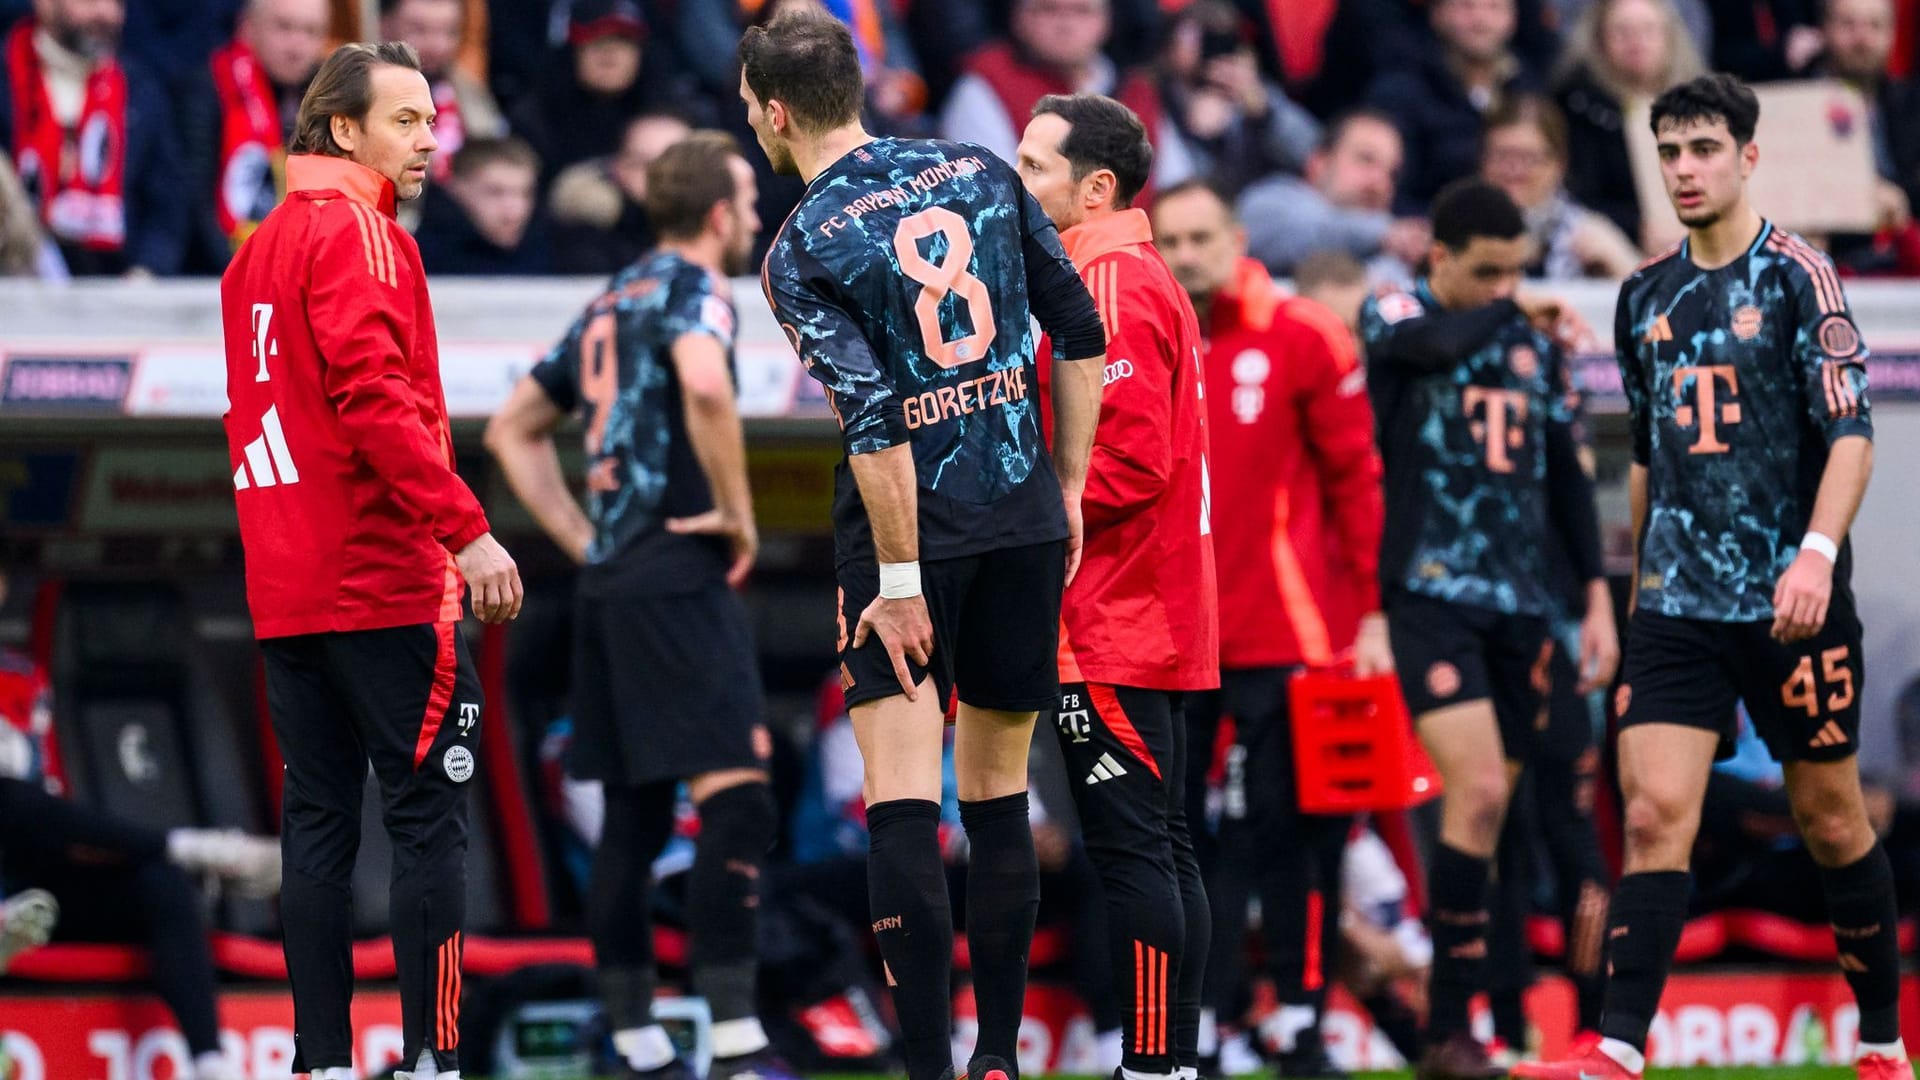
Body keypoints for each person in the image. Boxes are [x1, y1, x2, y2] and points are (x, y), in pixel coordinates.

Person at [1513, 73, 1906, 1080]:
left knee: (1830, 816)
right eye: (1671, 153)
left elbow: (1853, 436)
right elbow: (1645, 458)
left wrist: (1816, 556)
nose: (1685, 169)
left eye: (1703, 150)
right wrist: (1636, 590)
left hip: (1790, 601)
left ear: (1747, 157)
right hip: (1677, 606)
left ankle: (1882, 1038)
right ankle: (1617, 1048)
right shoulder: (1645, 293)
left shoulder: (1800, 277)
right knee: (1651, 814)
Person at [741, 10, 1108, 1080]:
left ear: (771, 112)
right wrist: (1072, 484)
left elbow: (875, 424)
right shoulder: (980, 166)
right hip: (1023, 512)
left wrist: (896, 582)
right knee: (997, 798)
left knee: (901, 802)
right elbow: (1079, 331)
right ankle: (999, 1059)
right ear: (859, 82)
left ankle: (930, 1070)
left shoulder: (803, 245)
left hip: (909, 539)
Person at [220, 41, 523, 1080]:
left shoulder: (253, 251)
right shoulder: (364, 234)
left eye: (434, 123)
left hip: (287, 591)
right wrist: (466, 527)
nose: (430, 142)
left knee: (316, 826)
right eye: (407, 121)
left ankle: (320, 1064)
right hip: (385, 582)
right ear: (342, 129)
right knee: (430, 823)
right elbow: (375, 403)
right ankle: (436, 1059)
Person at [485, 130, 797, 1080]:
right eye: (746, 201)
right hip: (675, 572)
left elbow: (512, 427)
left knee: (634, 819)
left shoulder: (611, 297)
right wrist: (739, 518)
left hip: (613, 584)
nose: (753, 217)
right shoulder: (695, 288)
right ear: (716, 214)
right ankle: (738, 1037)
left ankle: (632, 1036)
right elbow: (705, 385)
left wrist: (585, 543)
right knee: (737, 803)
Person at [1358, 177, 1617, 1080]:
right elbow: (1425, 340)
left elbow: (1567, 481)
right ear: (1440, 259)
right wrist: (1517, 308)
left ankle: (1459, 1028)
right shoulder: (1393, 304)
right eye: (1487, 271)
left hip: (1521, 608)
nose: (1504, 286)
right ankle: (1452, 1025)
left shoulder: (1531, 348)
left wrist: (1591, 594)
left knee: (1490, 815)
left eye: (1515, 271)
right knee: (1470, 798)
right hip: (1431, 596)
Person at [1151, 177, 1388, 1080]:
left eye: (1202, 236)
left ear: (1238, 237)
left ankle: (1294, 1020)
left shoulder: (1303, 336)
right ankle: (1202, 1027)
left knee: (1289, 837)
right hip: (1173, 644)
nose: (1186, 255)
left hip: (1286, 640)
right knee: (1185, 841)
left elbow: (1357, 485)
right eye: (1169, 240)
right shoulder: (1142, 338)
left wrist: (1371, 614)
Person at [1015, 94, 1218, 1080]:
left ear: (1093, 187)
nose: (1016, 185)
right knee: (1165, 847)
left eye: (1032, 167)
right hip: (1144, 613)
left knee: (1136, 851)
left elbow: (1128, 461)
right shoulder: (1118, 272)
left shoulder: (1106, 281)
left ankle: (1151, 1064)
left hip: (1115, 616)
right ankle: (1172, 1059)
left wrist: (1020, 507)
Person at [0, 568, 280, 1080]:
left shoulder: (20, 674)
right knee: (5, 794)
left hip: (34, 886)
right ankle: (192, 847)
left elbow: (47, 806)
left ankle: (210, 1063)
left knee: (159, 883)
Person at [0, 0, 185, 276]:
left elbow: (167, 204)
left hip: (117, 289)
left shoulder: (140, 87)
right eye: (90, 1)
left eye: (116, 3)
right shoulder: (6, 74)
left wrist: (146, 274)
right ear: (45, 5)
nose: (106, 14)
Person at [939, 0, 1190, 190]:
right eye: (1049, 9)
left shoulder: (1138, 92)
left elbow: (1177, 191)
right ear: (1019, 17)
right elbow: (993, 196)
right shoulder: (984, 87)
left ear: (1107, 21)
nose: (1066, 25)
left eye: (1082, 10)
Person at [180, 0, 331, 270]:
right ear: (248, 28)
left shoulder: (330, 102)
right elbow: (195, 199)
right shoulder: (210, 87)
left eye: (311, 32)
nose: (297, 46)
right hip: (218, 273)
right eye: (284, 28)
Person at [1552, 0, 1707, 247]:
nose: (1636, 41)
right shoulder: (1577, 104)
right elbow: (1579, 196)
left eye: (1648, 30)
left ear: (1670, 37)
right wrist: (1636, 227)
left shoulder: (1701, 103)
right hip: (1613, 243)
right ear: (1600, 40)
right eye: (1622, 31)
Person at [1366, 0, 1539, 215]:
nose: (1480, 20)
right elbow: (1388, 190)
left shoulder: (1528, 89)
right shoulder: (1401, 91)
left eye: (1494, 6)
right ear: (1437, 15)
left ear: (1513, 19)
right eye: (1466, 6)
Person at [1235, 110, 1429, 283]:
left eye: (1392, 174)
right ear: (1319, 162)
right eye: (1366, 159)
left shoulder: (1394, 248)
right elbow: (1302, 233)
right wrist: (1382, 234)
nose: (1380, 183)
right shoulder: (1272, 200)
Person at [1479, 93, 1641, 279]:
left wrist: (1618, 266)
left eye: (1528, 157)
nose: (1514, 168)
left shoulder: (1589, 231)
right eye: (1501, 155)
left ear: (1559, 164)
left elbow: (1650, 300)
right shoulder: (1459, 229)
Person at [546, 111, 691, 277]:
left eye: (675, 164)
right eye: (643, 163)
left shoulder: (719, 231)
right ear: (618, 168)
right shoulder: (584, 233)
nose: (659, 174)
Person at [379, 0, 503, 184]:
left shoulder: (468, 91)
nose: (437, 45)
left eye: (449, 31)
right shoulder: (364, 94)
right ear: (384, 26)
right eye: (419, 30)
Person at [414, 135, 550, 275]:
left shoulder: (551, 250)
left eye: (525, 193)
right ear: (457, 190)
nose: (515, 208)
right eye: (495, 192)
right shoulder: (417, 258)